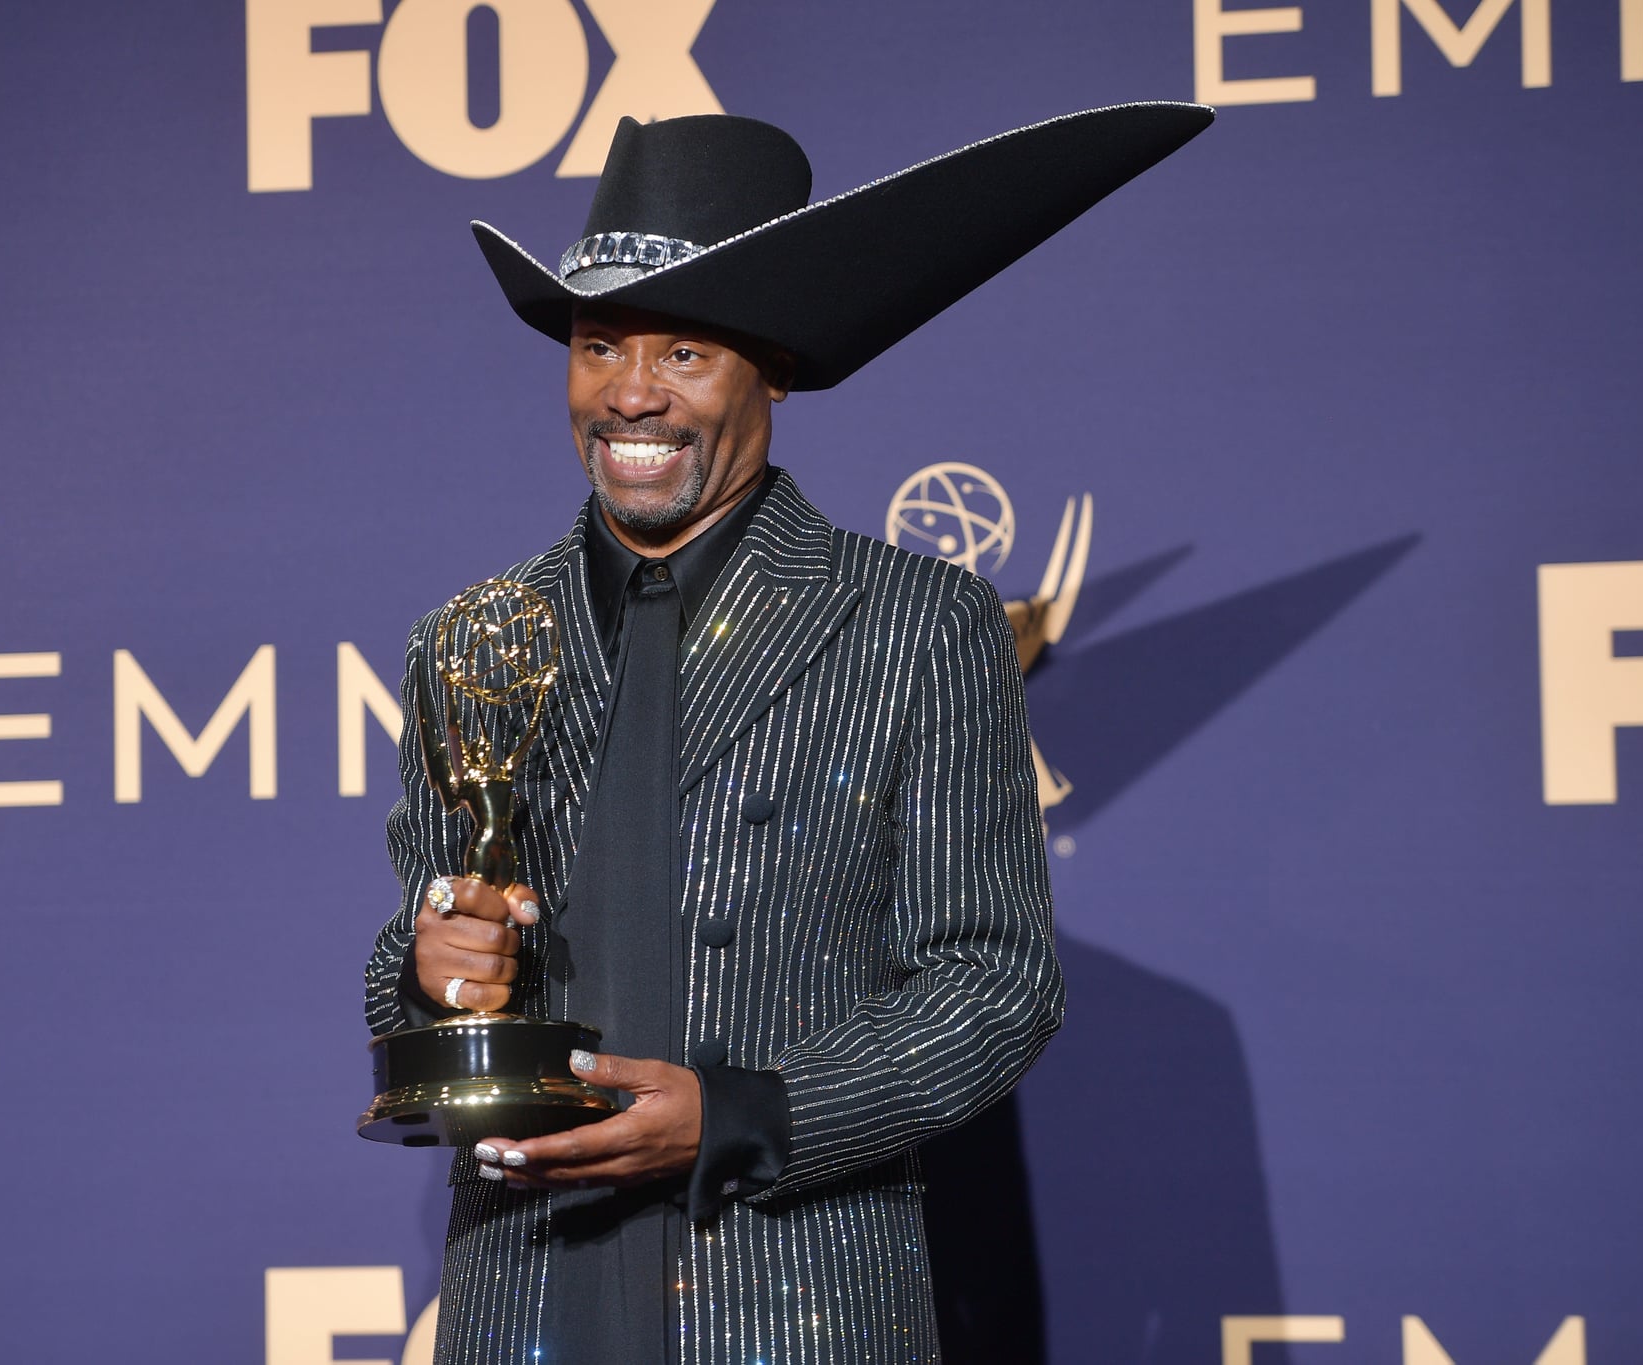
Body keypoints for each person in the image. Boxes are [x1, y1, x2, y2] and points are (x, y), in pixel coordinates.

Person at [364, 103, 1212, 1365]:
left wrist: (734, 1117)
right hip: (528, 1294)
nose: (630, 394)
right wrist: (435, 968)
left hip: (790, 1292)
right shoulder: (472, 638)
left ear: (774, 368)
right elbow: (412, 967)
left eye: (685, 354)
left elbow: (992, 983)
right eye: (600, 347)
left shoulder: (914, 622)